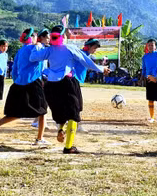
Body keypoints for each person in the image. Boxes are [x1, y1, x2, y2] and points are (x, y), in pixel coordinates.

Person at [29, 25, 109, 154]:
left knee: (60, 112)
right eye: (65, 34)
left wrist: (36, 45)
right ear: (63, 36)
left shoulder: (49, 50)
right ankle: (68, 147)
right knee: (74, 114)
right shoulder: (70, 48)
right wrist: (101, 69)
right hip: (67, 83)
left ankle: (61, 129)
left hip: (51, 84)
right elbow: (86, 62)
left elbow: (32, 58)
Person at [0, 29, 49, 145]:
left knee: (17, 112)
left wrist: (17, 81)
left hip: (19, 83)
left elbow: (15, 69)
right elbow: (42, 61)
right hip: (33, 82)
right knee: (42, 111)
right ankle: (39, 139)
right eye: (35, 36)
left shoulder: (20, 50)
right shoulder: (35, 48)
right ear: (31, 37)